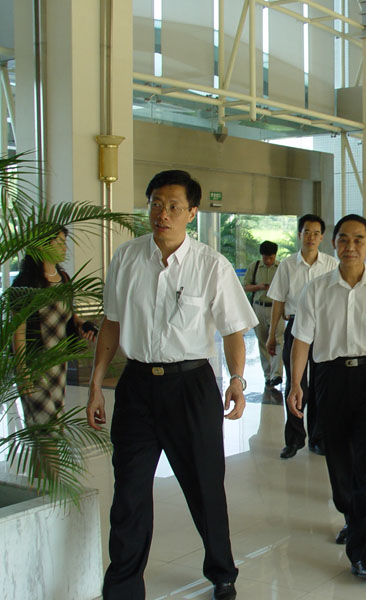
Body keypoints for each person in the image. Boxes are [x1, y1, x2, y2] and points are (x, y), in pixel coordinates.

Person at [86, 170, 258, 600]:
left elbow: (233, 330)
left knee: (205, 485)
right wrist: (95, 382)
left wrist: (237, 380)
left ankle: (222, 571)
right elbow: (111, 323)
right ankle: (123, 586)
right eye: (156, 204)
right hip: (137, 387)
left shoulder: (211, 265)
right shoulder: (126, 258)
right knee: (128, 492)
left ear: (192, 213)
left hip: (191, 387)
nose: (162, 214)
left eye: (174, 207)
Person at [287, 214, 366, 580]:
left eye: (359, 240)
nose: (350, 246)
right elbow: (302, 341)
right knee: (339, 460)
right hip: (331, 379)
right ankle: (350, 514)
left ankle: (363, 551)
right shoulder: (317, 289)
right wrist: (296, 385)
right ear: (334, 244)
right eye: (344, 239)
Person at [266, 214, 338, 459]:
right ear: (299, 235)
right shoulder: (287, 265)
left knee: (320, 383)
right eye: (307, 232)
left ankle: (318, 438)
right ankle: (294, 439)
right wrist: (272, 335)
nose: (311, 237)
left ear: (322, 237)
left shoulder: (331, 264)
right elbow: (278, 301)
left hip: (323, 328)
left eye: (316, 233)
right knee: (295, 383)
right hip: (295, 326)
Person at [11, 228, 98, 426]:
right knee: (44, 426)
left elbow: (69, 315)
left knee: (54, 424)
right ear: (41, 246)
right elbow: (19, 331)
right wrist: (23, 371)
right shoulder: (25, 284)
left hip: (58, 364)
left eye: (64, 242)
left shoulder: (63, 279)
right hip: (35, 365)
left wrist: (82, 325)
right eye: (58, 243)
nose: (64, 248)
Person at [242, 240, 284, 398]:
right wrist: (259, 287)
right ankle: (268, 375)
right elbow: (245, 287)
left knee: (278, 341)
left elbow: (287, 289)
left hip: (276, 308)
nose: (268, 261)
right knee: (263, 341)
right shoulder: (254, 267)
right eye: (266, 258)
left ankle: (277, 374)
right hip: (259, 307)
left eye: (271, 257)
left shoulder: (281, 268)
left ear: (275, 256)